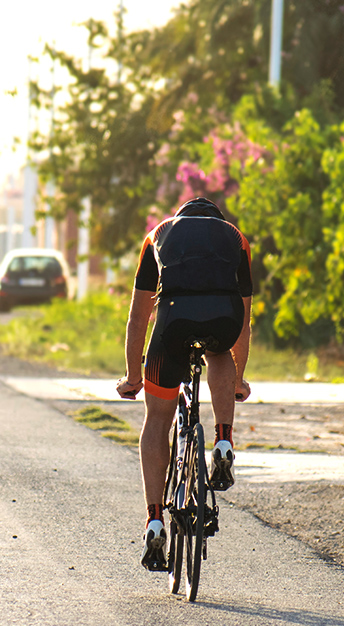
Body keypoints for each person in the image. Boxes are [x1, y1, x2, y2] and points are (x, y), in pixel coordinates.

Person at [115, 197, 252, 571]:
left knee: (157, 419)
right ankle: (223, 439)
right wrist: (238, 380)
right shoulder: (235, 237)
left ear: (182, 217)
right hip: (224, 320)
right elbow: (244, 322)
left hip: (172, 325)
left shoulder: (158, 234)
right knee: (220, 351)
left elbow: (138, 318)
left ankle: (155, 520)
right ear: (216, 220)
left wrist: (132, 376)